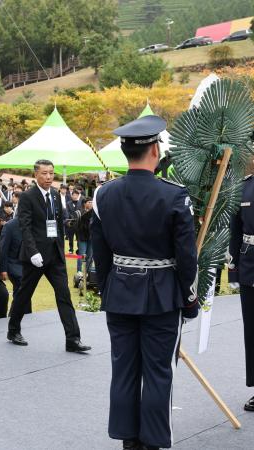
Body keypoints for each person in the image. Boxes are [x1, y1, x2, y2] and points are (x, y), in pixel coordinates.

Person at [91, 115, 198, 450]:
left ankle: (129, 440)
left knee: (123, 370)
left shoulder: (103, 195)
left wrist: (111, 287)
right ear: (155, 150)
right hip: (162, 297)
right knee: (158, 372)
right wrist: (189, 298)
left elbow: (101, 254)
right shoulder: (174, 196)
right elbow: (186, 258)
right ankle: (152, 441)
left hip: (120, 293)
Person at [7, 159, 90, 353]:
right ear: (35, 174)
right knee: (24, 293)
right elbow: (25, 226)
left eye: (51, 173)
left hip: (55, 255)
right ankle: (13, 329)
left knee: (64, 296)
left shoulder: (55, 194)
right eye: (44, 173)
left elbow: (58, 222)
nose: (48, 177)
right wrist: (32, 251)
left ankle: (73, 339)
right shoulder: (28, 196)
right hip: (35, 256)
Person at [229, 173, 254, 413]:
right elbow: (235, 230)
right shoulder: (244, 186)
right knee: (252, 331)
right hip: (250, 266)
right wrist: (233, 271)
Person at [0, 216, 28, 313]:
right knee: (22, 288)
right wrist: (3, 269)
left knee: (24, 293)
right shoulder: (10, 226)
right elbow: (3, 249)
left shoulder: (33, 223)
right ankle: (15, 317)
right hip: (13, 263)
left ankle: (22, 317)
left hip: (27, 264)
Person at [76, 197, 93, 274]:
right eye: (89, 202)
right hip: (82, 237)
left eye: (92, 202)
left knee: (89, 256)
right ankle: (79, 271)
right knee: (81, 255)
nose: (91, 204)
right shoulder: (79, 212)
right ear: (84, 204)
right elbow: (77, 225)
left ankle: (88, 272)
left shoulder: (94, 213)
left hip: (91, 237)